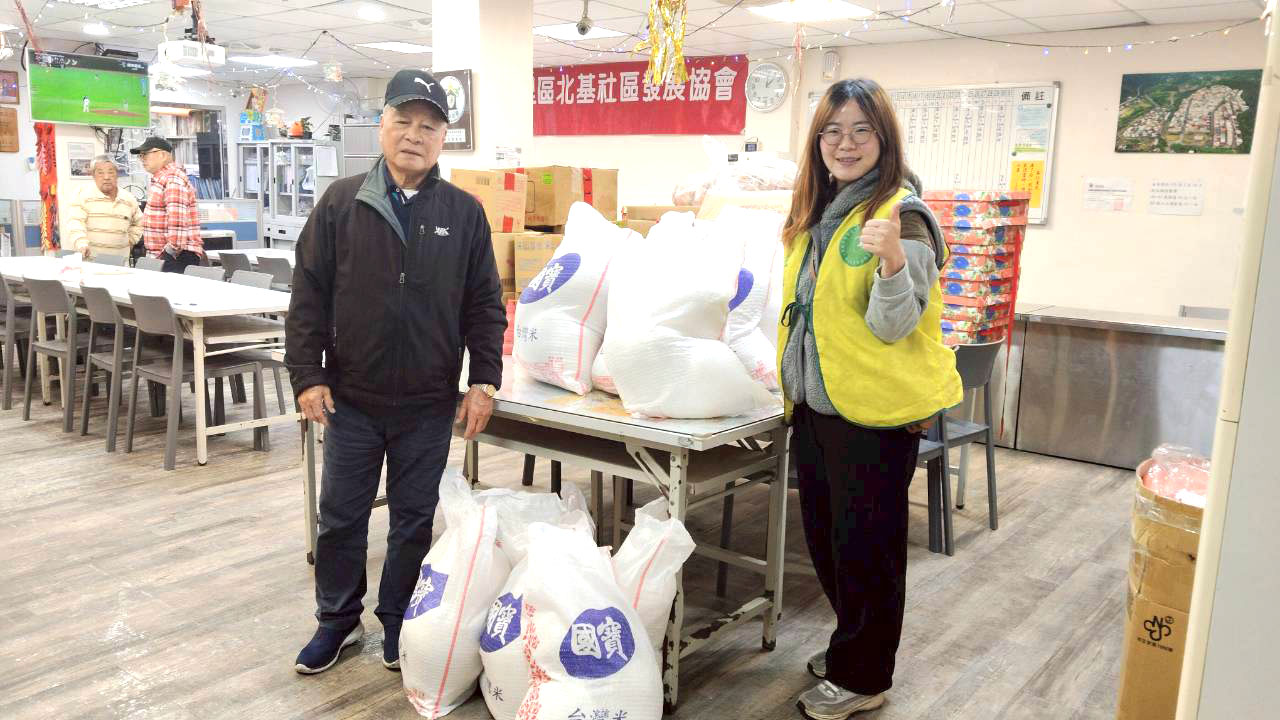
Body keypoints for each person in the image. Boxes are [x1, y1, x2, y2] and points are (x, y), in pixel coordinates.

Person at [285, 69, 506, 675]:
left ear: (442, 139)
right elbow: (307, 294)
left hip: (428, 404)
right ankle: (336, 621)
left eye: (428, 126)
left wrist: (484, 381)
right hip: (351, 398)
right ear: (382, 125)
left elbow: (485, 305)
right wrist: (307, 374)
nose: (414, 135)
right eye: (403, 121)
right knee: (341, 518)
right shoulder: (341, 203)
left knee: (412, 521)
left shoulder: (463, 212)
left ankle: (397, 620)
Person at [777, 77, 963, 719]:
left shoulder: (904, 217)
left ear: (884, 138)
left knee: (868, 550)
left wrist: (891, 265)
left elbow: (895, 324)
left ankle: (864, 676)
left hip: (875, 417)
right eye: (832, 131)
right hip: (819, 407)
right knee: (828, 542)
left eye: (861, 130)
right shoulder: (821, 212)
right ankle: (852, 645)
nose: (845, 143)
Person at [131, 137, 202, 272]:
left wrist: (169, 253)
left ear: (163, 155)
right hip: (165, 256)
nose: (142, 159)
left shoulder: (172, 179)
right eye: (140, 156)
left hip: (176, 257)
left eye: (145, 154)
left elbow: (177, 222)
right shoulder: (163, 179)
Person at [63, 155, 142, 261]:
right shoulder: (82, 194)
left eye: (111, 172)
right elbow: (75, 222)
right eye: (100, 173)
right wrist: (81, 244)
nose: (106, 177)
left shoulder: (129, 199)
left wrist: (131, 240)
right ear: (93, 175)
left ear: (117, 174)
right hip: (92, 262)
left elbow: (140, 223)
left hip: (120, 263)